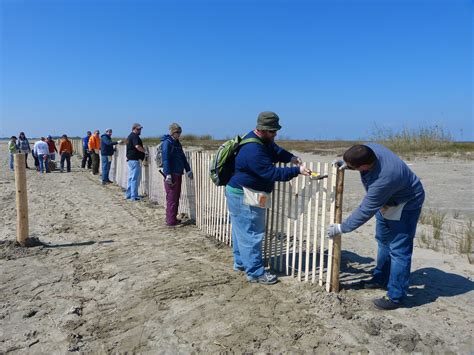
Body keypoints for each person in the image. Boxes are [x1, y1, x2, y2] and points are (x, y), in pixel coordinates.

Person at [328, 144, 425, 310]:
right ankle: (380, 278)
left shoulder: (385, 178)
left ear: (364, 166)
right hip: (387, 201)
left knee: (399, 250)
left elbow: (365, 210)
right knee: (383, 240)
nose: (352, 168)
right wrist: (346, 164)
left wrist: (342, 228)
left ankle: (396, 296)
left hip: (406, 203)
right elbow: (359, 161)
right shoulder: (368, 149)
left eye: (354, 167)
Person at [226, 112, 311, 285]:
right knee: (251, 234)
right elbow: (270, 173)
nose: (275, 134)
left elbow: (275, 150)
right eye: (272, 131)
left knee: (241, 231)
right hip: (245, 194)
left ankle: (241, 263)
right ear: (263, 130)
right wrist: (297, 171)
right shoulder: (253, 149)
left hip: (241, 191)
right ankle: (256, 273)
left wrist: (291, 158)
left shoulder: (261, 140)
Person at [161, 123, 193, 226]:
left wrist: (188, 169)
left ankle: (172, 218)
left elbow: (182, 157)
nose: (179, 134)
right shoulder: (167, 143)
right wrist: (168, 174)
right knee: (171, 198)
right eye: (177, 132)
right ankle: (170, 221)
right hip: (172, 175)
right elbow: (165, 160)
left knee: (176, 197)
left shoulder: (177, 143)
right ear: (172, 132)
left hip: (178, 173)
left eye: (180, 132)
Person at [125, 123, 146, 201]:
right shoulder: (134, 136)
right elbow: (137, 146)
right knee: (134, 178)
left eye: (140, 129)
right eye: (138, 129)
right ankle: (133, 196)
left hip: (131, 159)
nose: (140, 130)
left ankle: (128, 195)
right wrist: (145, 151)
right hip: (134, 160)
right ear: (134, 129)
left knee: (131, 178)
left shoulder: (129, 136)